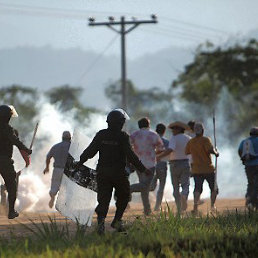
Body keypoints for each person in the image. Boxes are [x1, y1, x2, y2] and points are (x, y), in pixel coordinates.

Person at [76, 109, 150, 234]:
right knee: (124, 196)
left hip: (103, 173)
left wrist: (80, 162)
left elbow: (90, 151)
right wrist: (142, 169)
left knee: (103, 199)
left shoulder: (101, 135)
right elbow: (130, 155)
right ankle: (117, 221)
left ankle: (101, 224)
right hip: (118, 173)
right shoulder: (122, 136)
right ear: (120, 123)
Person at [0, 105, 32, 219]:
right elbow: (16, 141)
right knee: (11, 186)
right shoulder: (8, 129)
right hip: (4, 161)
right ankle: (11, 211)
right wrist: (27, 149)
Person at [130, 117, 164, 215]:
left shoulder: (134, 135)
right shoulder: (153, 135)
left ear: (139, 125)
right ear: (148, 125)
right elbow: (161, 148)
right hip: (150, 164)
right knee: (145, 185)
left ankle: (147, 209)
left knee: (144, 187)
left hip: (138, 164)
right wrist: (154, 153)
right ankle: (129, 188)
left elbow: (128, 147)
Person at [157, 121, 191, 214]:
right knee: (185, 185)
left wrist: (159, 157)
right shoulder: (188, 138)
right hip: (185, 163)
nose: (172, 131)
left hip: (174, 165)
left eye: (174, 129)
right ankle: (184, 195)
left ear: (179, 129)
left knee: (175, 187)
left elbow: (170, 149)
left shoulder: (174, 138)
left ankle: (179, 208)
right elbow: (191, 153)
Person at [185, 122, 219, 214]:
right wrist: (216, 152)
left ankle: (195, 207)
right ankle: (212, 206)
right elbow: (210, 150)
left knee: (197, 188)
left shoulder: (191, 142)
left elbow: (187, 152)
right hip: (208, 168)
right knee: (214, 188)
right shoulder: (206, 140)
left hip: (196, 169)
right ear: (203, 131)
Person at [43, 131, 71, 208]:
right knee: (67, 187)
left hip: (57, 169)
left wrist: (47, 167)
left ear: (62, 138)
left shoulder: (56, 146)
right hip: (68, 171)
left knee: (55, 185)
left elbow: (48, 156)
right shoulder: (72, 147)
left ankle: (52, 197)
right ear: (70, 138)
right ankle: (65, 204)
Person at [150, 123, 169, 211]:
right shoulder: (166, 141)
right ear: (164, 131)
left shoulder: (151, 140)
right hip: (162, 164)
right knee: (161, 187)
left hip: (152, 165)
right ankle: (157, 206)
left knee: (151, 186)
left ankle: (147, 202)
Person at [238, 127, 258, 210]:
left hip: (248, 166)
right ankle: (253, 201)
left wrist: (243, 160)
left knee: (250, 183)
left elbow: (239, 151)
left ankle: (248, 198)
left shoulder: (244, 141)